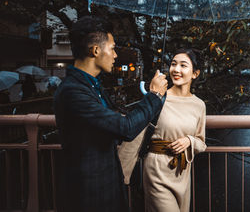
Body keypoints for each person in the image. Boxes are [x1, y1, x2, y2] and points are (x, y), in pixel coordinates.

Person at [54, 15, 168, 212]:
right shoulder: (73, 91)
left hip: (106, 184)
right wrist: (155, 95)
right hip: (89, 193)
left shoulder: (92, 86)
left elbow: (114, 121)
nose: (115, 55)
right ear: (96, 50)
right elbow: (125, 128)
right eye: (113, 48)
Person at [143, 48, 207, 212]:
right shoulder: (158, 97)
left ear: (195, 73)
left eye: (183, 65)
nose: (176, 69)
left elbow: (201, 143)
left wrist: (189, 140)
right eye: (173, 64)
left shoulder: (199, 105)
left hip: (181, 172)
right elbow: (137, 128)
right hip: (156, 168)